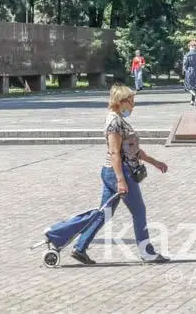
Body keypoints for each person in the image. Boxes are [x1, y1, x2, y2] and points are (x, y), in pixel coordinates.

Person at [71, 84, 169, 264]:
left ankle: (80, 248)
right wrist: (121, 180)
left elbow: (132, 150)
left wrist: (155, 162)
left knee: (104, 213)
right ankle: (147, 253)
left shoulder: (118, 119)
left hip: (115, 170)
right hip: (119, 171)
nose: (133, 105)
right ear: (120, 102)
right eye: (131, 101)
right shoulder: (114, 122)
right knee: (139, 211)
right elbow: (115, 153)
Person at [182, 40, 196, 106]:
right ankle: (192, 101)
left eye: (189, 46)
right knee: (194, 87)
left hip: (190, 71)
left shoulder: (187, 55)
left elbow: (185, 64)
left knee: (188, 86)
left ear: (191, 46)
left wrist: (184, 70)